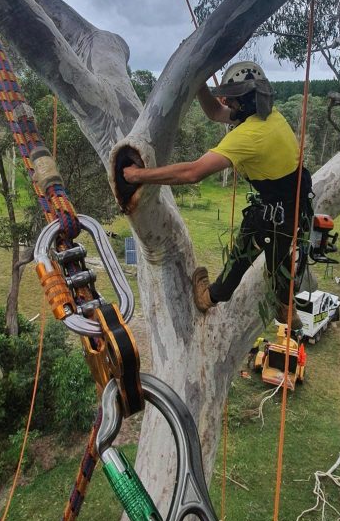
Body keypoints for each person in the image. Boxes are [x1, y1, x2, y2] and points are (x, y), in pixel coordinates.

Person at [123, 61, 312, 329]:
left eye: (231, 100)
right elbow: (214, 112)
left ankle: (209, 297)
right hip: (298, 203)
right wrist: (199, 82)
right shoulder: (268, 116)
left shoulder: (250, 135)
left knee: (242, 256)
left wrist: (138, 176)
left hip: (274, 212)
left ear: (245, 102)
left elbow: (193, 172)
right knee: (283, 264)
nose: (226, 103)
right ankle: (285, 306)